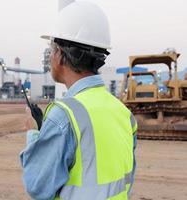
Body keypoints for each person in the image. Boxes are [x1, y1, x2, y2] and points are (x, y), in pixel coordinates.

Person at [20, 1, 137, 200]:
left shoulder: (64, 116)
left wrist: (33, 136)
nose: (49, 57)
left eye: (51, 50)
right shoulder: (122, 111)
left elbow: (37, 186)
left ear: (60, 55)